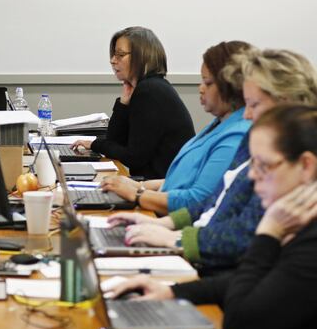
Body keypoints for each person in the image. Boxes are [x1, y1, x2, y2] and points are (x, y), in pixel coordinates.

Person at [108, 104, 317, 329]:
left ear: (306, 166)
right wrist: (172, 292)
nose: (251, 177)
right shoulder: (298, 219)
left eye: (263, 166)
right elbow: (253, 280)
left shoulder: (306, 238)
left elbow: (239, 318)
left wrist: (268, 233)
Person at [107, 48, 317, 272]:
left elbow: (242, 232)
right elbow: (215, 201)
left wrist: (173, 238)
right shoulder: (249, 136)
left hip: (213, 261)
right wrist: (162, 225)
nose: (246, 114)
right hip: (201, 250)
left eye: (254, 105)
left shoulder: (285, 159)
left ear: (283, 103)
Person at [101, 41, 252, 214]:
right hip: (165, 211)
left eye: (207, 83)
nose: (201, 88)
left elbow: (196, 201)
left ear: (231, 87)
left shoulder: (236, 136)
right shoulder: (220, 122)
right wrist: (138, 185)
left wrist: (137, 193)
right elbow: (183, 178)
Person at [71, 27, 195, 179]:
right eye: (113, 54)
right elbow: (115, 142)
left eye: (120, 55)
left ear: (142, 57)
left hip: (162, 190)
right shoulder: (149, 87)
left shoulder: (149, 91)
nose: (112, 60)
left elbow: (134, 158)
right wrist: (123, 103)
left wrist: (95, 144)